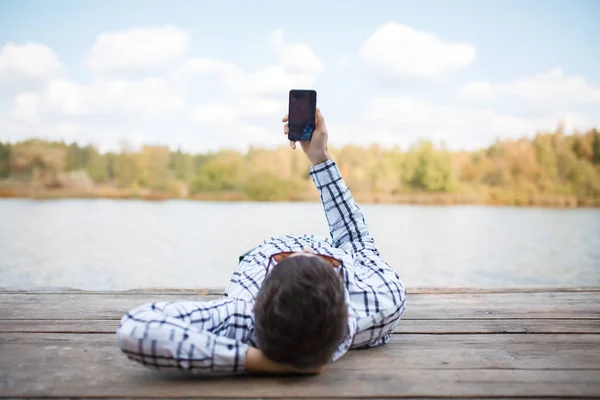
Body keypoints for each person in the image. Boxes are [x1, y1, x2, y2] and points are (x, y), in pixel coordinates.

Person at [116, 109, 407, 375]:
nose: (306, 248)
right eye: (323, 260)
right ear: (346, 311)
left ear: (257, 305)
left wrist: (261, 362)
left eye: (284, 259)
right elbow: (354, 238)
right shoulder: (380, 298)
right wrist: (320, 157)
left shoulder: (244, 315)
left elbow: (137, 328)